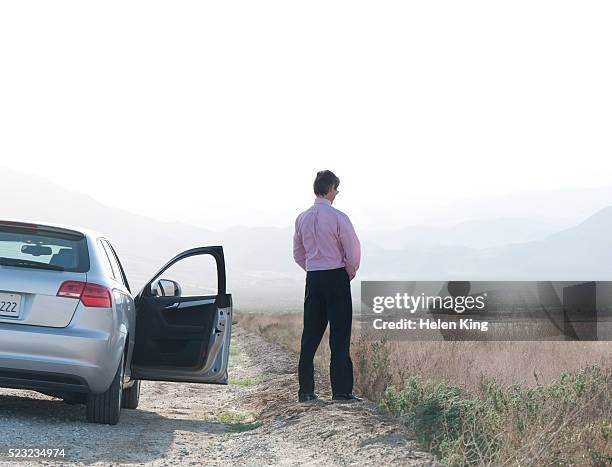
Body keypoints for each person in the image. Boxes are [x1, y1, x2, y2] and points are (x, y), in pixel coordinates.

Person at [293, 170, 362, 402]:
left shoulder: (301, 218)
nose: (336, 193)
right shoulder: (338, 217)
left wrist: (313, 268)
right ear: (331, 188)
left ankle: (306, 391)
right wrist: (347, 273)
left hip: (313, 278)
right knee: (339, 336)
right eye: (337, 189)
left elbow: (298, 253)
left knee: (310, 336)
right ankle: (341, 392)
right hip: (336, 278)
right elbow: (353, 251)